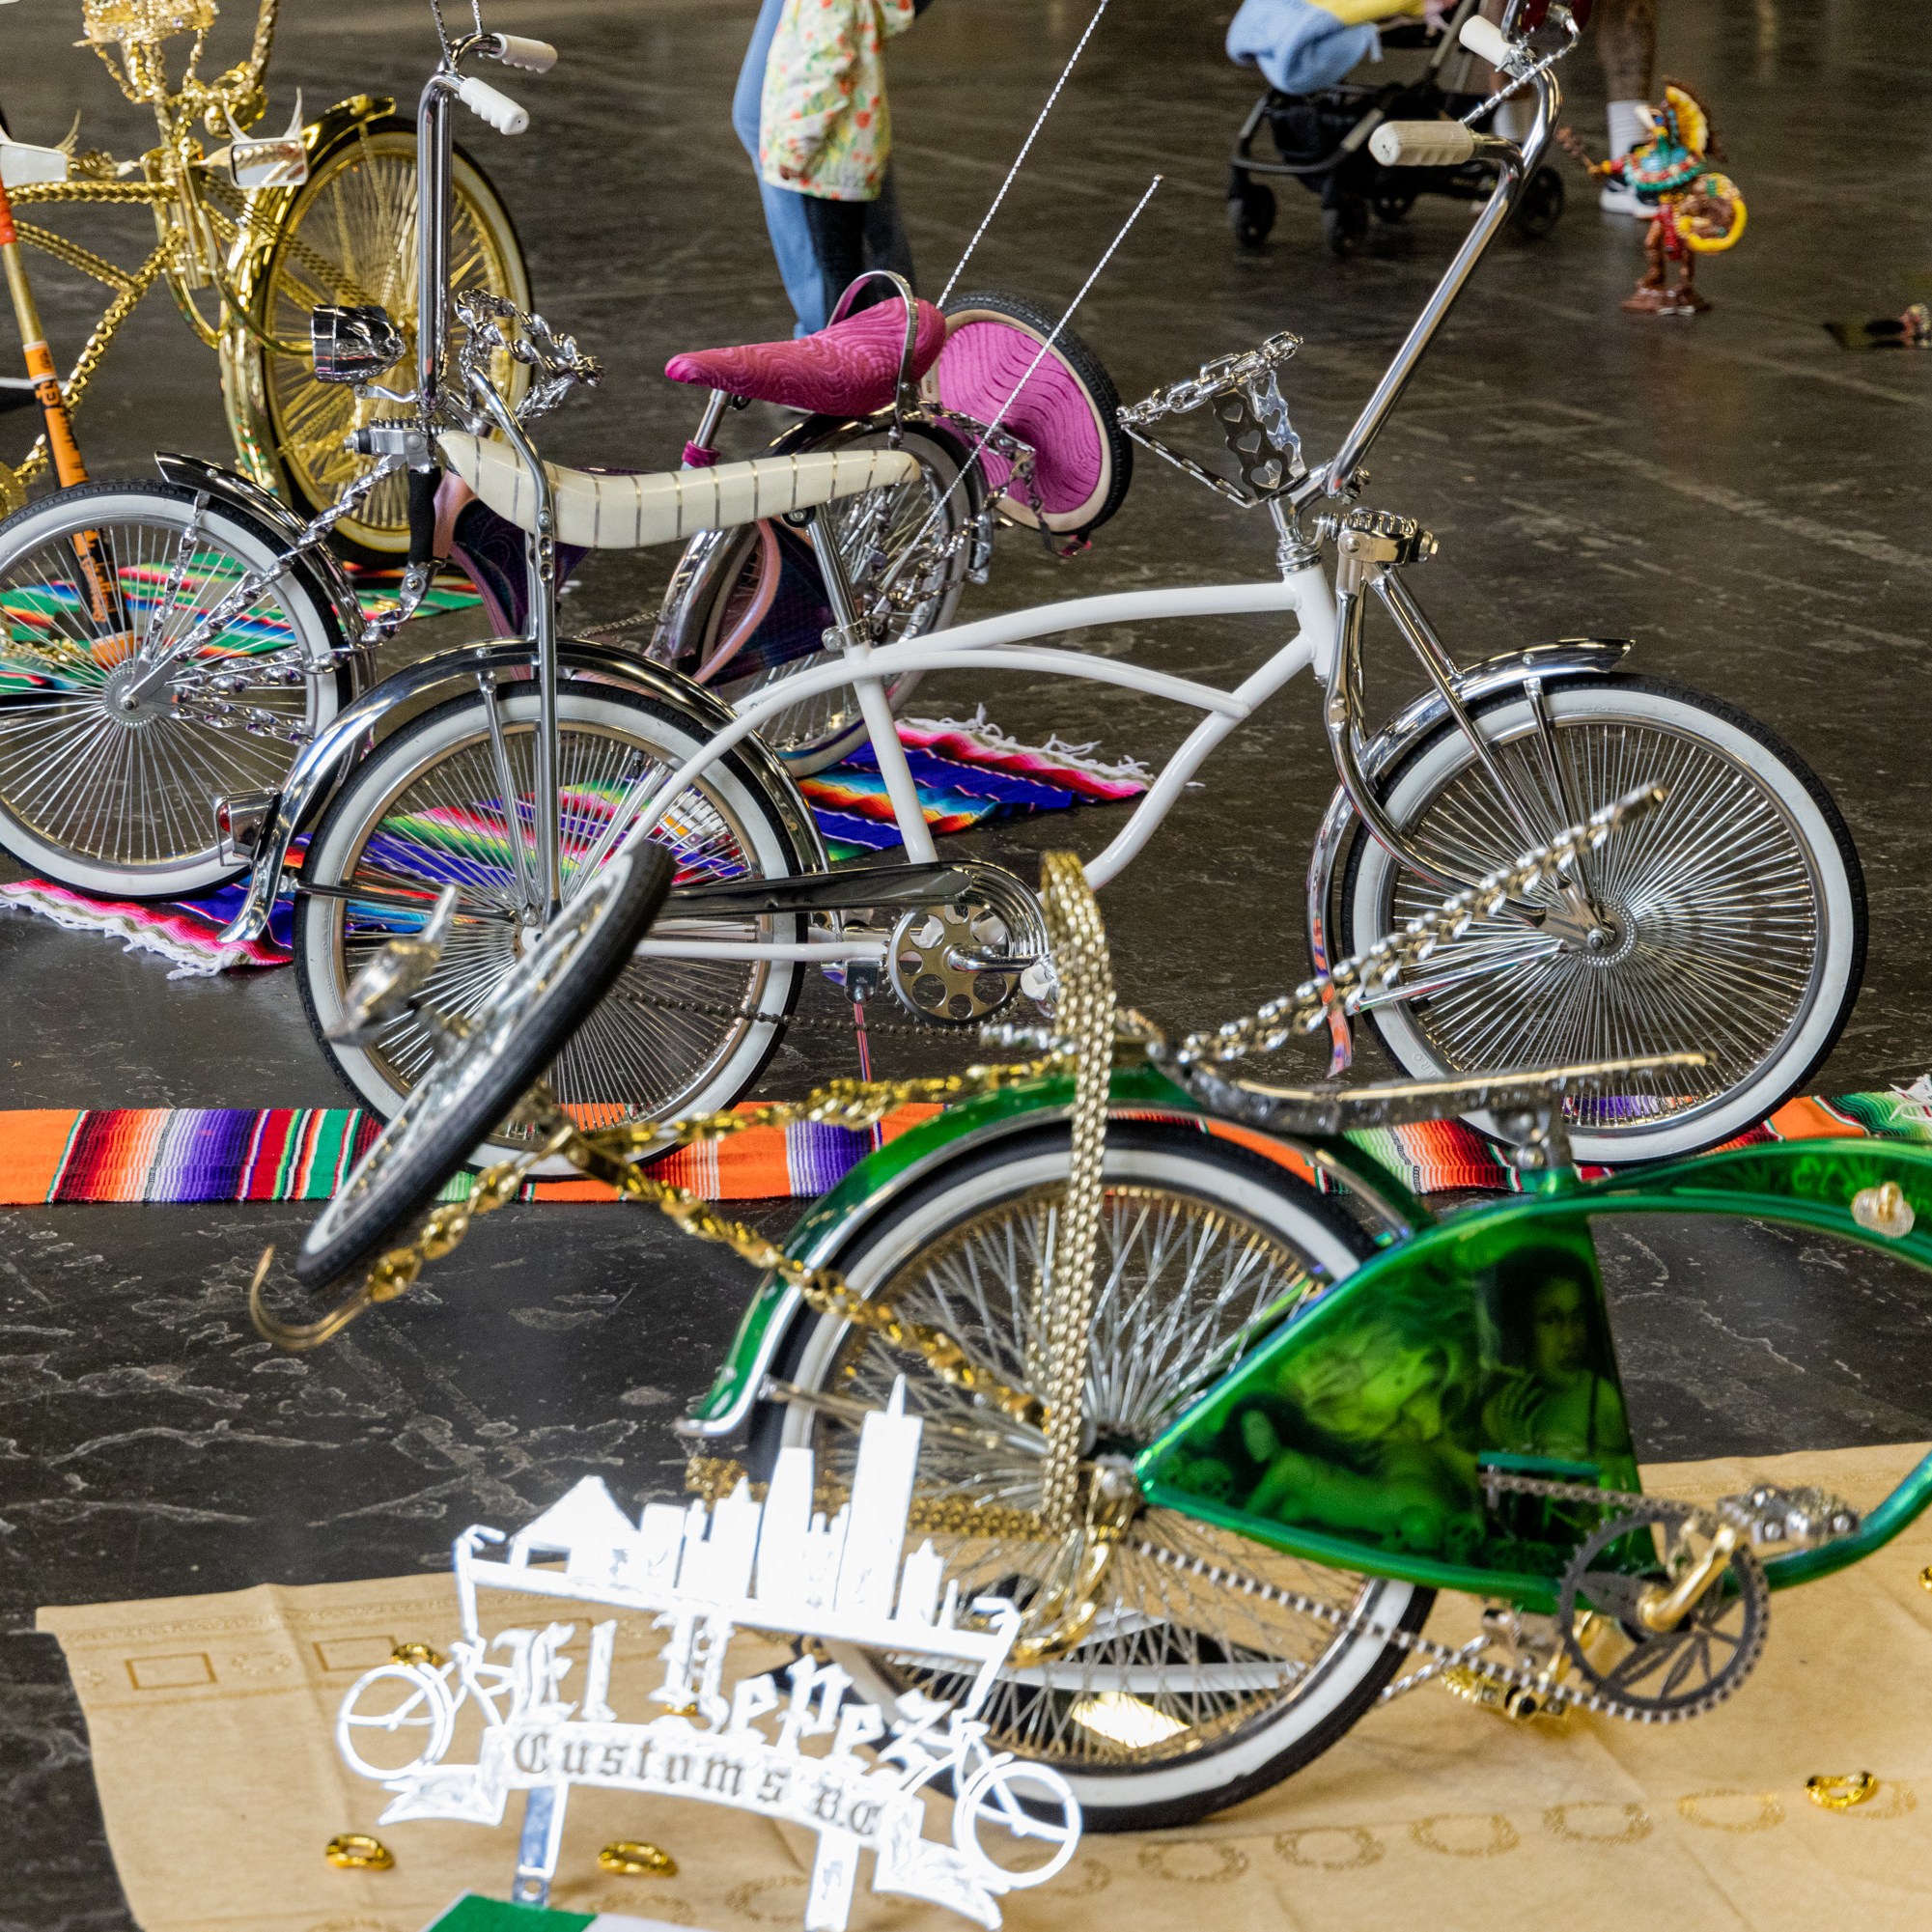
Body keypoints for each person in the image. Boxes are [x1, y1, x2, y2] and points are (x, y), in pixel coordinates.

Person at [756, 0, 924, 331]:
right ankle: (883, 351)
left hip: (828, 161)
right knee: (857, 261)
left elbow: (823, 69)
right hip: (855, 153)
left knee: (839, 270)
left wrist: (796, 148)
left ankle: (851, 360)